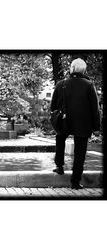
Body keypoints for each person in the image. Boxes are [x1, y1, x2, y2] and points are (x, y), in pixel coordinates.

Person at [50, 58, 100, 189]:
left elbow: (53, 105)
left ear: (71, 69)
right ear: (84, 70)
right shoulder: (89, 84)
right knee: (80, 152)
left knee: (60, 138)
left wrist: (56, 118)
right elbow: (95, 108)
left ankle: (59, 166)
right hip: (83, 123)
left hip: (64, 121)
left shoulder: (61, 84)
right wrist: (96, 127)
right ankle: (75, 182)